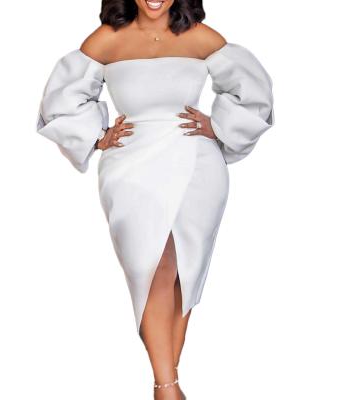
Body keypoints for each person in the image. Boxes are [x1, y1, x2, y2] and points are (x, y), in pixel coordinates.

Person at [36, 1, 275, 398]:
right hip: (130, 164)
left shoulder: (200, 36)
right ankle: (167, 387)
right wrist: (96, 137)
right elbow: (59, 99)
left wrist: (218, 126)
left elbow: (253, 89)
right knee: (150, 265)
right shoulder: (107, 39)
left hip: (195, 162)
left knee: (185, 267)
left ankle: (166, 383)